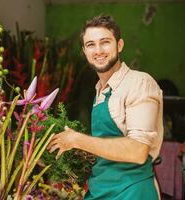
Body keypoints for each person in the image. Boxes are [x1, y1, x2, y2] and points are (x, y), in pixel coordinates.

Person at [47, 15, 163, 200]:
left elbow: (138, 150)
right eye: (91, 44)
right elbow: (108, 146)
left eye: (105, 42)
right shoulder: (101, 90)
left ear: (120, 45)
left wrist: (77, 140)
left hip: (131, 192)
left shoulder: (139, 83)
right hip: (100, 190)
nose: (98, 50)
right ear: (84, 51)